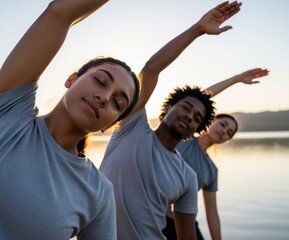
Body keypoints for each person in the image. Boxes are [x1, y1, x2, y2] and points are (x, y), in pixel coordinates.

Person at [0, 0, 140, 239]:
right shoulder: (7, 114)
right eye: (100, 81)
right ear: (71, 79)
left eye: (117, 103)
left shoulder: (97, 192)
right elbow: (60, 12)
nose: (104, 97)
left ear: (109, 125)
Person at [100, 1, 242, 239]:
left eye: (197, 117)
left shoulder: (187, 178)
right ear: (166, 109)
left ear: (195, 130)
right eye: (186, 107)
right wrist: (198, 29)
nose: (189, 115)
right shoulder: (132, 127)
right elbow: (151, 69)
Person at [163, 68, 269, 240]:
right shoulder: (183, 138)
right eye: (223, 124)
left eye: (229, 132)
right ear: (211, 121)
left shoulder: (211, 170)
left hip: (186, 223)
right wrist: (237, 78)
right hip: (157, 220)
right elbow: (200, 99)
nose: (224, 131)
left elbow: (212, 215)